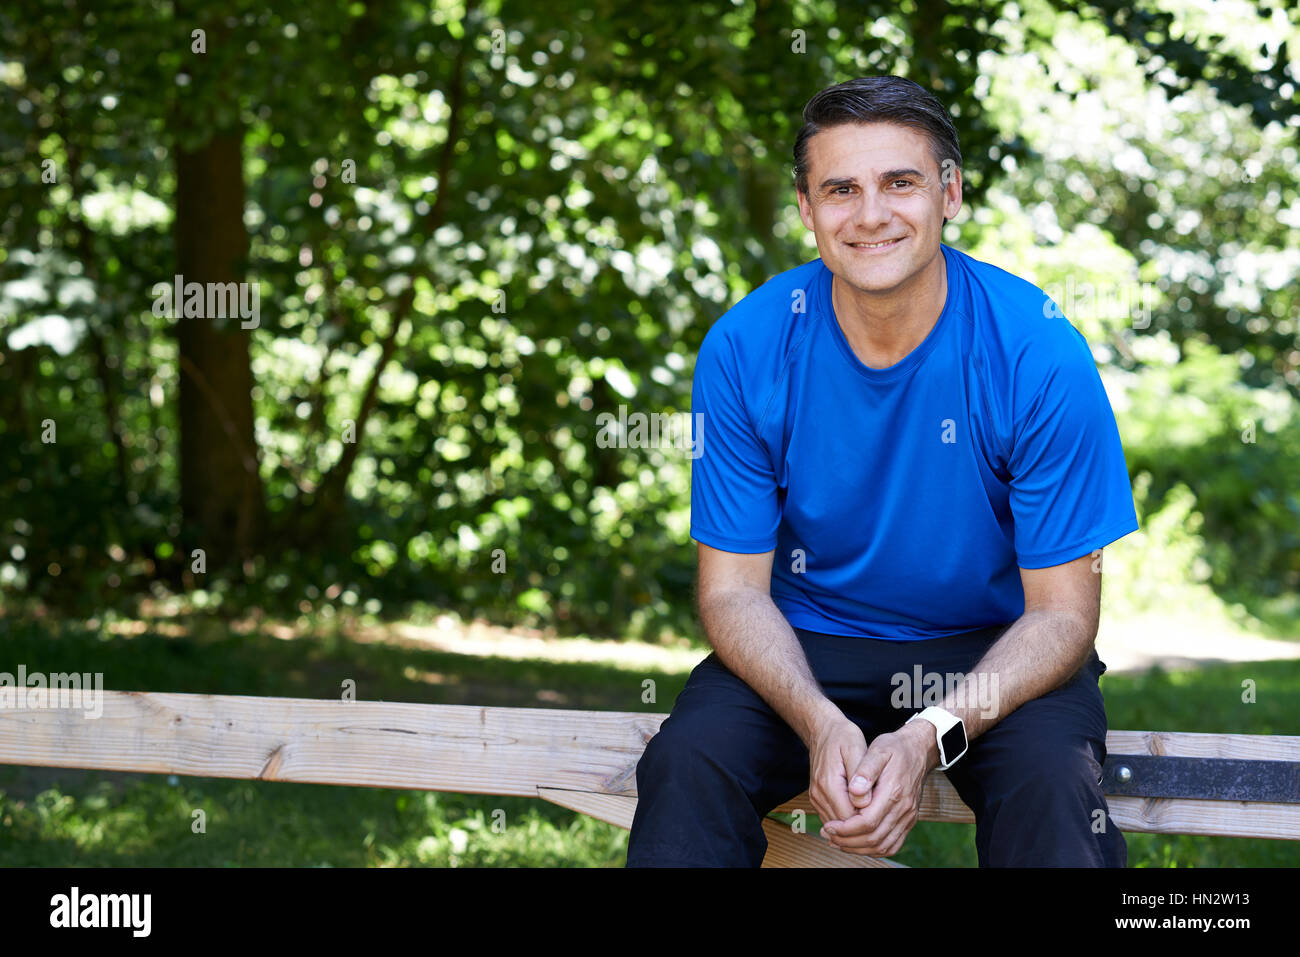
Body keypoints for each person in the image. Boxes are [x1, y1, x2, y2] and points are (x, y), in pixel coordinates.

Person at [625, 75, 1139, 868]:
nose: (870, 214)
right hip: (805, 642)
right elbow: (731, 591)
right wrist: (821, 720)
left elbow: (1064, 618)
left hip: (994, 647)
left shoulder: (1036, 350)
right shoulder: (746, 345)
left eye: (900, 182)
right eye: (840, 189)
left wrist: (928, 733)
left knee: (1051, 784)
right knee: (686, 761)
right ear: (806, 208)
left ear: (949, 193)